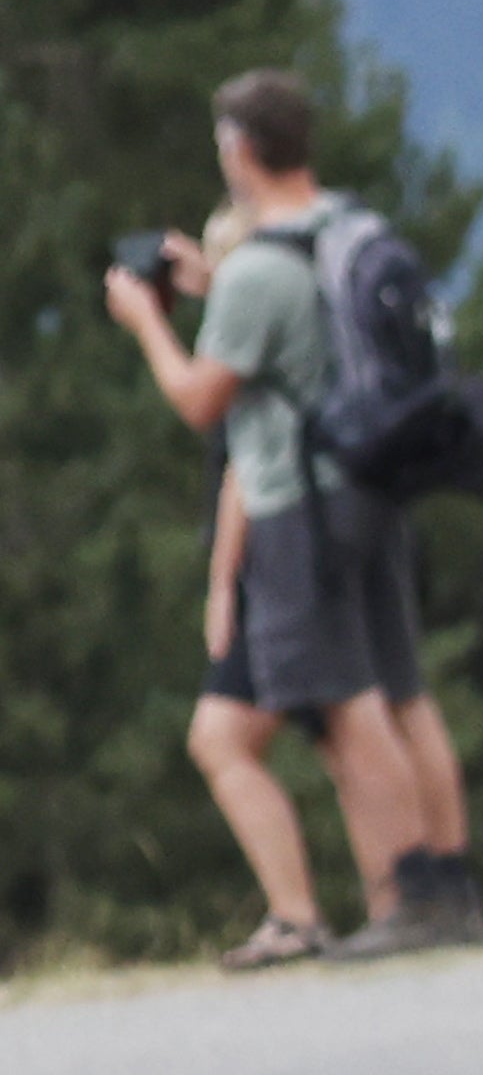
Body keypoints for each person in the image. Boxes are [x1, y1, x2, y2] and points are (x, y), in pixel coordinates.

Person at [102, 74, 441, 963]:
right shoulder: (335, 231)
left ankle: (403, 897)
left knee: (346, 712)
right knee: (345, 710)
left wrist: (146, 321)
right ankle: (385, 900)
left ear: (237, 150)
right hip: (351, 492)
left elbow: (204, 401)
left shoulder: (259, 269)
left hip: (296, 512)